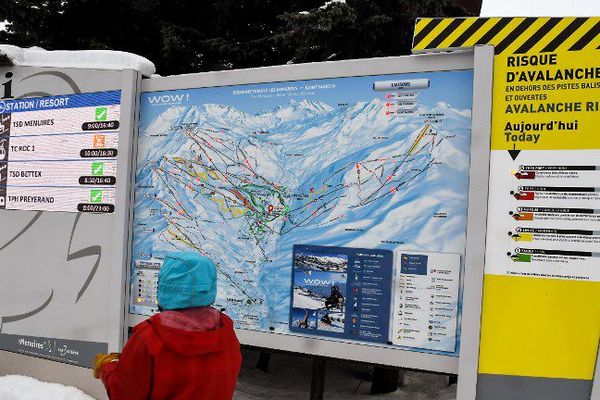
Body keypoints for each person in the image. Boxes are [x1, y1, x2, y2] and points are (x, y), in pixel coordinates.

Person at [93, 252, 241, 400]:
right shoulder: (225, 331)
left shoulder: (149, 336)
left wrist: (107, 367)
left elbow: (123, 393)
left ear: (165, 285)